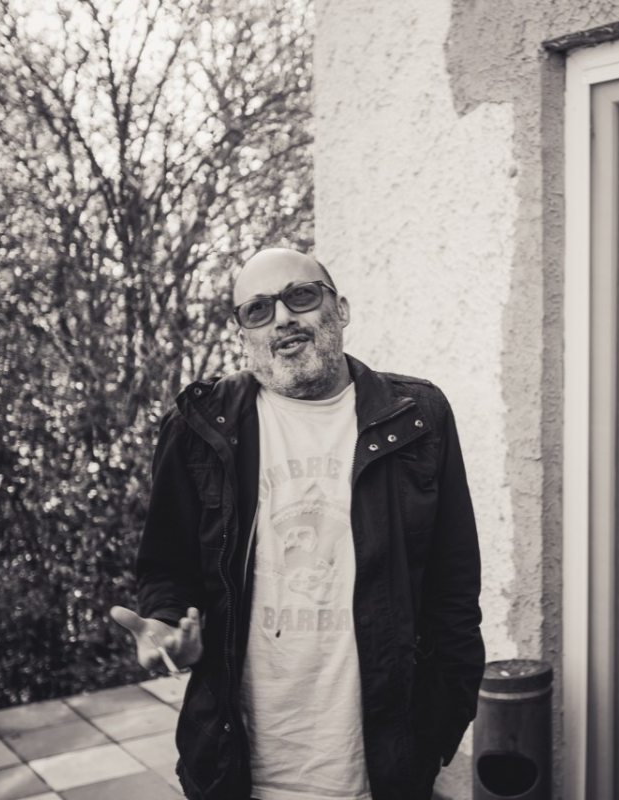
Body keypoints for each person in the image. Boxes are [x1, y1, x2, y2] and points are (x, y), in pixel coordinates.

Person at [109, 248, 484, 800]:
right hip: (242, 766)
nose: (282, 318)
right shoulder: (198, 428)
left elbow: (454, 584)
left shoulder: (417, 416)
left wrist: (441, 722)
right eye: (258, 310)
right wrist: (169, 630)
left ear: (340, 309)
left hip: (382, 764)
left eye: (300, 296)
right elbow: (167, 568)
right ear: (242, 333)